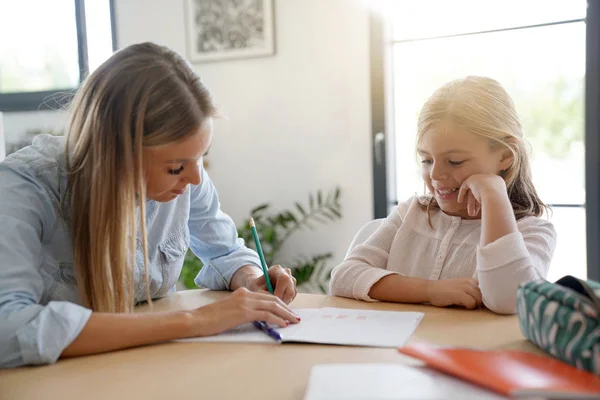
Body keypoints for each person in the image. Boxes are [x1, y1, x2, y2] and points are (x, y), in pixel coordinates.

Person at [0, 42, 299, 368]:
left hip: (148, 366)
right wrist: (193, 322)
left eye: (202, 156)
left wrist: (251, 278)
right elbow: (8, 328)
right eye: (175, 167)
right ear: (115, 155)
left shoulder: (185, 181)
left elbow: (225, 252)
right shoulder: (24, 187)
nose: (196, 179)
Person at [329, 76, 556, 315]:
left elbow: (508, 299)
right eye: (426, 160)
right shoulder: (411, 214)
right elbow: (344, 277)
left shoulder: (533, 232)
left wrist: (494, 195)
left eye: (455, 161)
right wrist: (430, 290)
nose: (435, 174)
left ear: (505, 157)